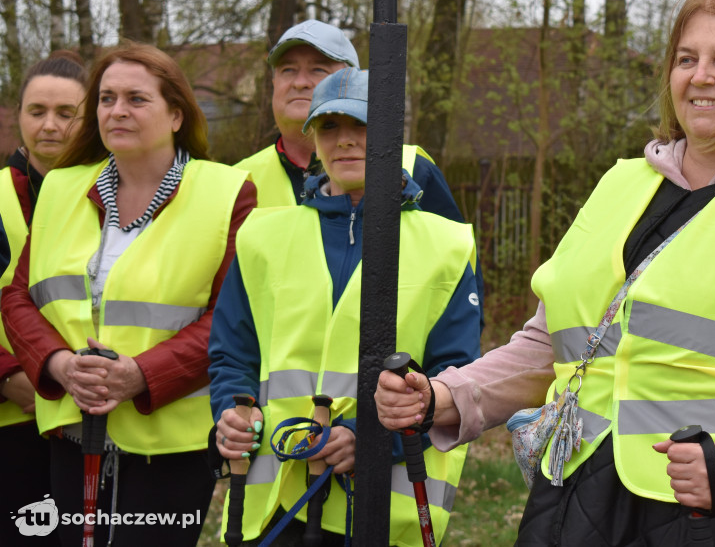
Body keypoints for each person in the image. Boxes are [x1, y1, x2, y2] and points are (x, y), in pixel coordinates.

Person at [376, 0, 715, 546]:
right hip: (579, 499)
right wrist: (445, 397)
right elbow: (554, 345)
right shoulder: (621, 184)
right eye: (686, 58)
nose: (701, 77)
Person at [209, 67, 482, 546]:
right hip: (272, 505)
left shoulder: (447, 244)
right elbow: (233, 353)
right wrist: (233, 413)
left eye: (363, 126)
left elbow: (455, 373)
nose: (347, 142)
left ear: (394, 136)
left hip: (384, 510)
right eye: (330, 127)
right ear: (311, 138)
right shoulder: (262, 236)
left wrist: (372, 441)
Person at [1, 43, 256, 546]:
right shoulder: (61, 188)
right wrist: (57, 365)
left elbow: (231, 318)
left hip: (170, 448)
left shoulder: (228, 191)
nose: (117, 110)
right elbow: (18, 297)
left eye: (136, 99)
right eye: (106, 98)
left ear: (177, 113)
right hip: (71, 435)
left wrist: (139, 375)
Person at [236, 19, 462, 222]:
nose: (300, 82)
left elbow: (452, 259)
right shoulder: (238, 180)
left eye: (317, 69)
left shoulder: (414, 168)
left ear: (351, 82)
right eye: (288, 70)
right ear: (273, 83)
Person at [0, 51, 86, 546]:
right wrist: (6, 375)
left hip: (89, 421)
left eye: (66, 113)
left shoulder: (115, 196)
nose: (49, 126)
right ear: (18, 116)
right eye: (37, 112)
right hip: (13, 420)